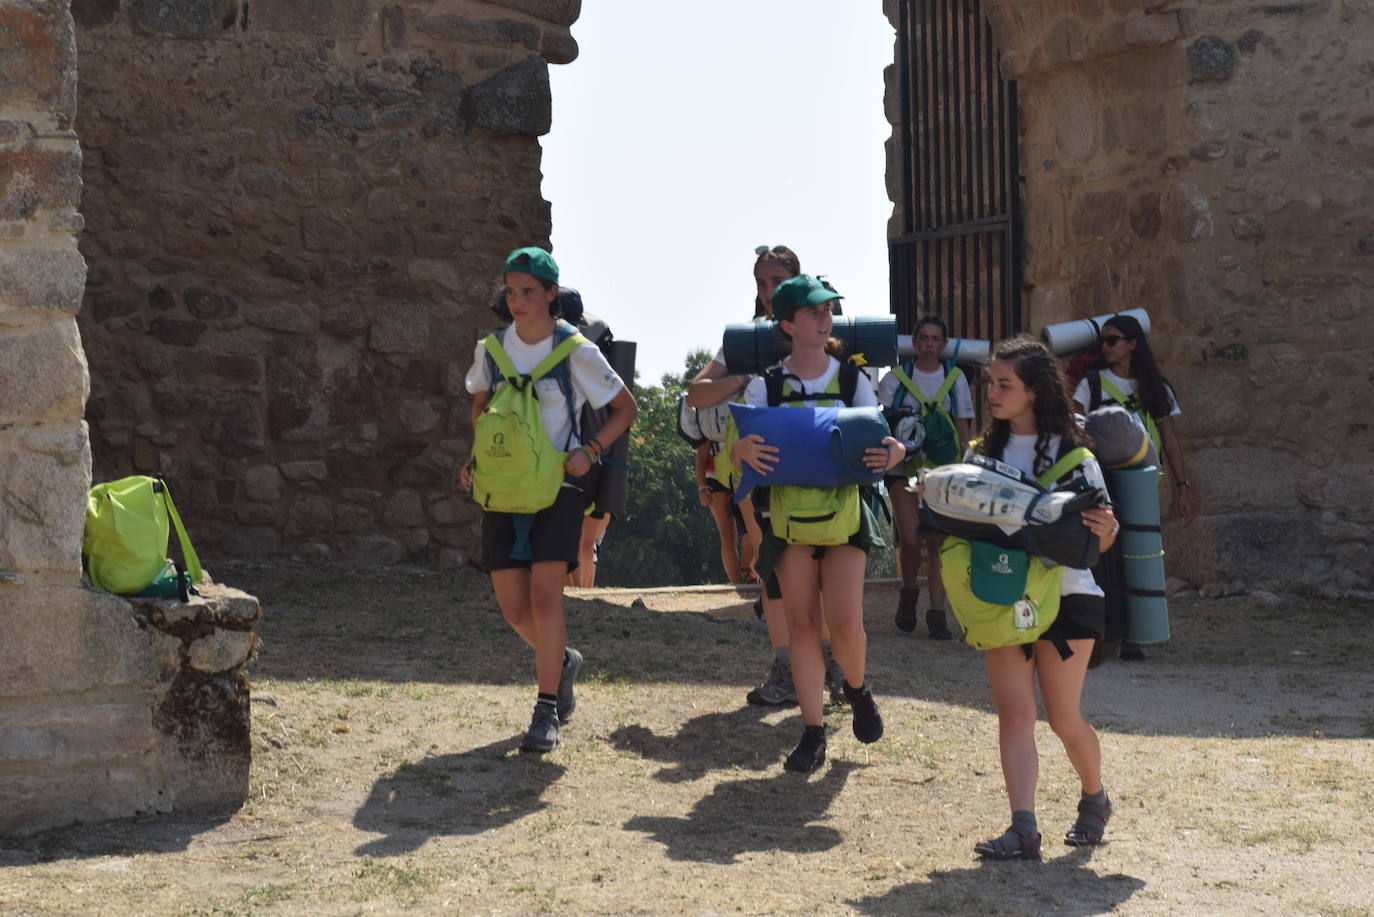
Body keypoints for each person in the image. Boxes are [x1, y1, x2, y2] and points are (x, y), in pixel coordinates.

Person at [938, 336, 1117, 859]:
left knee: (1063, 718)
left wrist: (1105, 529)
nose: (991, 392)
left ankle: (1095, 798)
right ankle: (1023, 828)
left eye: (1004, 384)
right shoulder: (979, 454)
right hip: (1002, 592)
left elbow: (1100, 541)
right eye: (990, 382)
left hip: (1068, 598)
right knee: (1014, 713)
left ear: (1034, 391)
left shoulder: (1076, 455)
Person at [460, 247, 638, 754]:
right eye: (511, 291)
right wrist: (479, 455)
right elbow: (480, 404)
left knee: (544, 597)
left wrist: (593, 450)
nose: (518, 301)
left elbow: (626, 408)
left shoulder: (576, 349)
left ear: (550, 294)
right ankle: (562, 663)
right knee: (514, 608)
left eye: (529, 292)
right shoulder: (491, 349)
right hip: (504, 489)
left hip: (560, 487)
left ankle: (545, 711)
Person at [732, 275, 911, 772]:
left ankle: (857, 688)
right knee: (803, 625)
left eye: (827, 310)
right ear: (787, 324)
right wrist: (739, 449)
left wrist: (893, 450)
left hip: (846, 517)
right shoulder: (763, 385)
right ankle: (812, 733)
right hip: (788, 520)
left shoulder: (853, 380)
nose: (824, 318)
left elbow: (881, 440)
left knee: (847, 624)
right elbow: (740, 452)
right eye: (812, 312)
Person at [686, 245, 829, 707]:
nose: (769, 292)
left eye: (777, 282)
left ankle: (838, 667)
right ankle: (787, 670)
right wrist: (746, 379)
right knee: (773, 573)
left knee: (823, 571)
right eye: (761, 283)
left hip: (819, 470)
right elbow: (696, 394)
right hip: (761, 470)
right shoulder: (744, 342)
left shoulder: (825, 330)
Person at [1070, 313, 1194, 660]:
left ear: (1133, 344)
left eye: (1113, 340)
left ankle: (1135, 633)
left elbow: (1170, 439)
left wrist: (1182, 486)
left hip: (1142, 482)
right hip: (1103, 478)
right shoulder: (1090, 383)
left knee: (1139, 552)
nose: (1105, 347)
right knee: (1107, 554)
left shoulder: (1156, 387)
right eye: (1103, 341)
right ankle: (1112, 629)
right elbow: (1076, 428)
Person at [876, 315, 975, 639]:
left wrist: (967, 464)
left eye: (936, 339)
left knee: (937, 542)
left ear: (943, 344)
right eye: (924, 338)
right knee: (911, 537)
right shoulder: (895, 379)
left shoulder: (955, 378)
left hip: (942, 468)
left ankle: (936, 613)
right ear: (915, 342)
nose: (929, 344)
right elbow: (883, 423)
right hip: (901, 468)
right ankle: (908, 593)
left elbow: (963, 426)